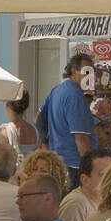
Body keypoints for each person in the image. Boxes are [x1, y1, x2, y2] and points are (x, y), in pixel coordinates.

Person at [36, 52, 96, 190]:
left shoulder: (57, 90)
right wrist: (88, 169)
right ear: (74, 71)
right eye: (87, 71)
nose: (91, 76)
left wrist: (46, 143)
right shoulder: (76, 96)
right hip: (74, 165)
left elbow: (38, 118)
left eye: (93, 72)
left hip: (57, 162)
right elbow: (81, 138)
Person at [0, 89, 37, 156]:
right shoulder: (34, 130)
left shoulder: (4, 130)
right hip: (29, 166)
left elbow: (1, 159)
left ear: (9, 105)